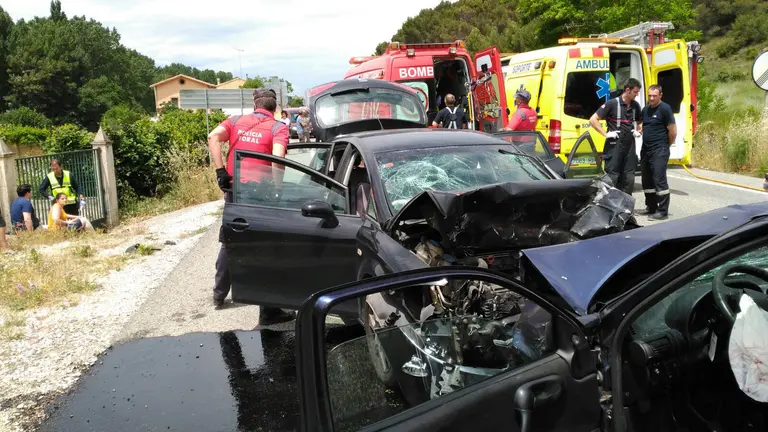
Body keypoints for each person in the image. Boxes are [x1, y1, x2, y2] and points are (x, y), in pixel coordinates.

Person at [207, 87, 294, 325]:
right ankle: (269, 310)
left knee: (229, 240)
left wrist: (219, 171)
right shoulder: (278, 127)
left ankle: (219, 294)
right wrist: (277, 188)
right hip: (261, 194)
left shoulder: (235, 121)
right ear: (274, 107)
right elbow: (278, 159)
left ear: (255, 105)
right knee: (266, 245)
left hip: (235, 190)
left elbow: (213, 137)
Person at [589, 78, 643, 194]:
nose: (637, 95)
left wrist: (638, 131)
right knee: (612, 177)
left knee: (629, 177)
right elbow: (593, 120)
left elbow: (640, 123)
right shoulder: (612, 104)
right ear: (628, 90)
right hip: (614, 145)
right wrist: (606, 134)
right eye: (635, 92)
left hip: (629, 146)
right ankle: (610, 205)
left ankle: (626, 207)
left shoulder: (635, 106)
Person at [638, 84, 677, 220]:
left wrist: (666, 146)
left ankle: (662, 211)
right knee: (647, 179)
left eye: (654, 96)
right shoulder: (646, 109)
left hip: (659, 149)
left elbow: (672, 131)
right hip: (646, 149)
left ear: (660, 95)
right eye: (649, 96)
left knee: (659, 180)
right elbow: (643, 125)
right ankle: (651, 206)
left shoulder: (665, 109)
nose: (651, 98)